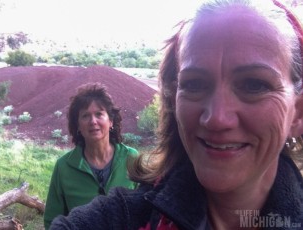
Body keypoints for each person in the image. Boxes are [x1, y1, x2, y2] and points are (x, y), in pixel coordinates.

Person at [50, 0, 303, 229]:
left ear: (298, 115)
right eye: (194, 84)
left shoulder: (127, 156)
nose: (216, 118)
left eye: (254, 85)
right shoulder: (126, 217)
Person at [44, 83, 139, 229]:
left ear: (111, 121)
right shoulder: (64, 167)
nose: (93, 121)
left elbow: (146, 211)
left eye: (99, 114)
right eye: (85, 115)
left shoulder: (131, 158)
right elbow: (52, 220)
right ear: (78, 126)